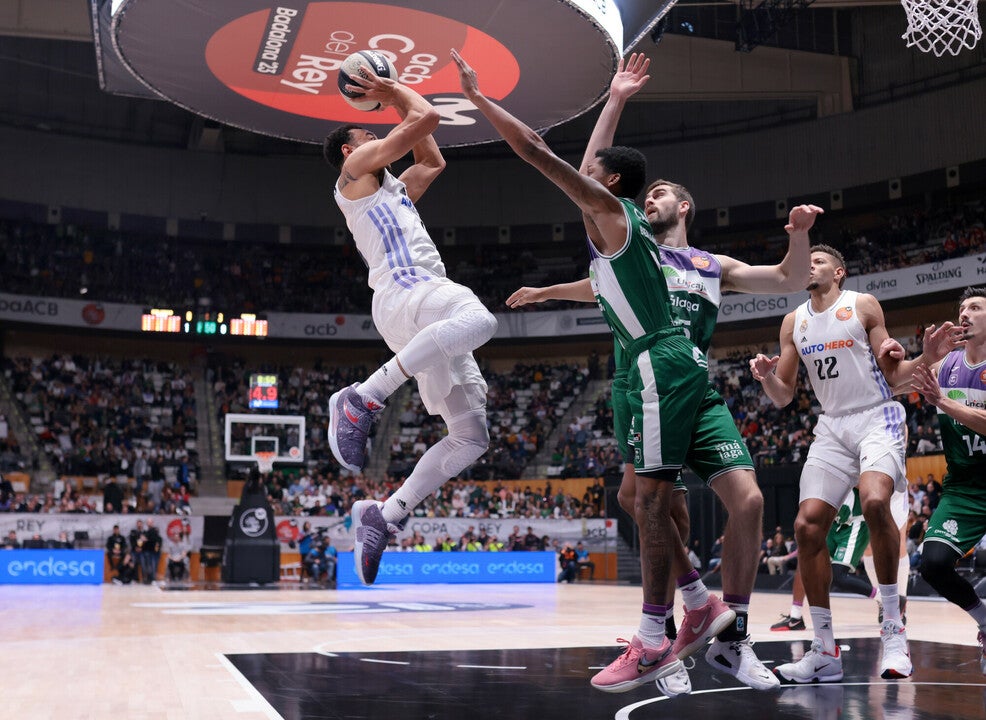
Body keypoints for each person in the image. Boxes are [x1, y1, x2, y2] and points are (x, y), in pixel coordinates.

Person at [502, 54, 820, 694]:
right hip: (642, 380)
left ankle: (727, 636)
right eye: (645, 191)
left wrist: (798, 236)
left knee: (750, 502)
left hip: (693, 387)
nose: (650, 196)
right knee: (649, 503)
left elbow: (788, 280)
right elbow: (586, 187)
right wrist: (545, 294)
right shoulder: (630, 245)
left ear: (686, 206)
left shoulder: (709, 262)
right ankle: (675, 628)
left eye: (660, 192)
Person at [454, 49, 719, 697]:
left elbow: (538, 151)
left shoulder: (613, 217)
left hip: (661, 364)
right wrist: (617, 98)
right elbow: (582, 174)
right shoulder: (611, 230)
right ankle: (698, 598)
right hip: (637, 367)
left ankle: (661, 635)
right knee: (636, 498)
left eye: (591, 171)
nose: (582, 172)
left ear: (610, 184)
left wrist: (481, 100)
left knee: (654, 503)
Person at [750, 244, 962, 683]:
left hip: (876, 416)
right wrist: (767, 375)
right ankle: (824, 651)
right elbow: (784, 396)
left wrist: (924, 357)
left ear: (839, 272)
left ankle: (893, 632)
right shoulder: (794, 321)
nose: (809, 264)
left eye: (819, 261)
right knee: (807, 526)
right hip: (832, 426)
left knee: (874, 501)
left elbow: (894, 377)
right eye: (806, 261)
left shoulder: (862, 305)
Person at [323, 60, 497, 586]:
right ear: (351, 151)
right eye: (367, 133)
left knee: (472, 436)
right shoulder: (354, 175)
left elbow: (432, 158)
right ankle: (364, 397)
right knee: (481, 319)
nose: (377, 133)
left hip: (419, 312)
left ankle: (386, 514)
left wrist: (393, 98)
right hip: (410, 293)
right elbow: (424, 120)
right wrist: (393, 90)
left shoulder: (392, 190)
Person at [910, 286, 986, 675]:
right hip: (964, 490)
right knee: (933, 564)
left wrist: (945, 403)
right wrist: (916, 357)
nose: (966, 313)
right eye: (962, 308)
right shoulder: (946, 365)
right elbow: (896, 383)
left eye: (975, 307)